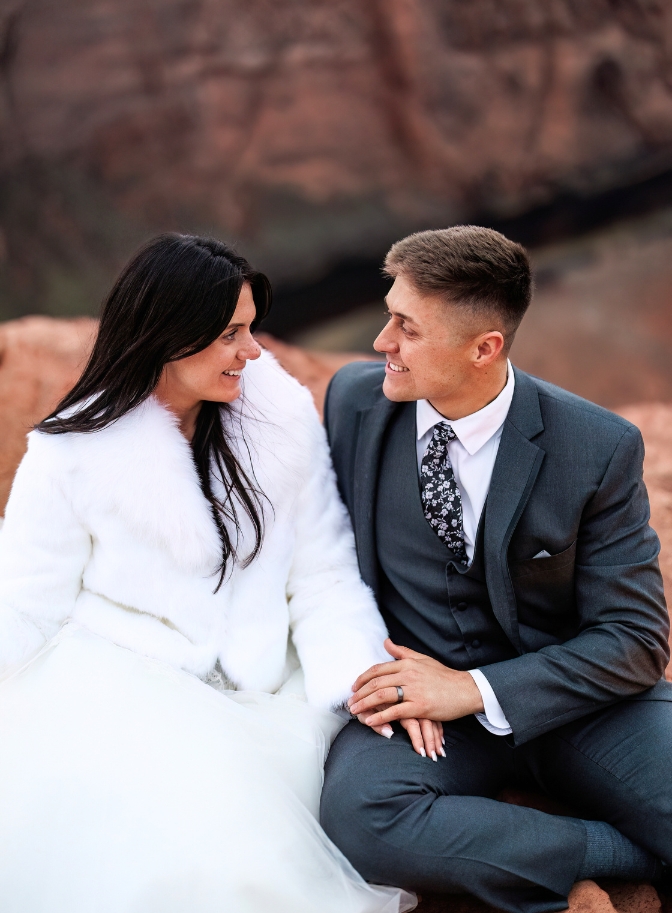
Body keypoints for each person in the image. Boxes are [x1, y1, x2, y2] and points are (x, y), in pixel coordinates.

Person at [0, 234, 418, 913]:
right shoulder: (68, 453)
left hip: (267, 691)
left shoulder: (280, 416)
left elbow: (324, 573)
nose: (254, 352)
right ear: (169, 335)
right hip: (120, 689)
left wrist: (358, 681)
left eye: (250, 330)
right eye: (231, 335)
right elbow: (26, 606)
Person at [319, 225, 672, 913]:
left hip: (580, 705)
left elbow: (634, 638)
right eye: (388, 316)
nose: (381, 343)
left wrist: (476, 687)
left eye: (406, 327)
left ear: (485, 348)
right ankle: (620, 850)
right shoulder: (354, 403)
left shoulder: (598, 446)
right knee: (360, 817)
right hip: (427, 717)